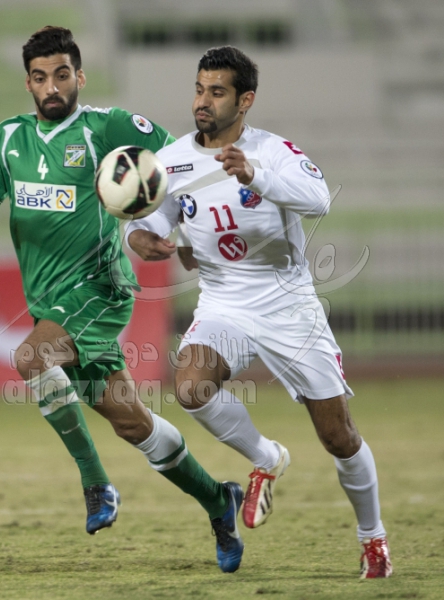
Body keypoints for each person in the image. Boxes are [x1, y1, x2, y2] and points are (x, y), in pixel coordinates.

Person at [0, 27, 245, 574]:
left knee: (31, 358)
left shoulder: (105, 127)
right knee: (134, 425)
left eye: (62, 75)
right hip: (50, 303)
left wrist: (183, 227)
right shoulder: (9, 138)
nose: (52, 86)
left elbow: (178, 157)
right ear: (28, 84)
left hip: (100, 291)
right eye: (40, 77)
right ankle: (218, 501)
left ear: (78, 76)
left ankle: (95, 483)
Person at [126, 45, 393, 579]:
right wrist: (142, 239)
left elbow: (319, 199)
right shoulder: (172, 159)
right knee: (191, 387)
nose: (202, 101)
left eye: (216, 92)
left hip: (287, 303)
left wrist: (255, 176)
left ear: (244, 100)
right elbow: (149, 221)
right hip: (223, 301)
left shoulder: (273, 151)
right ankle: (266, 458)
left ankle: (373, 537)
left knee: (338, 435)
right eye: (199, 89)